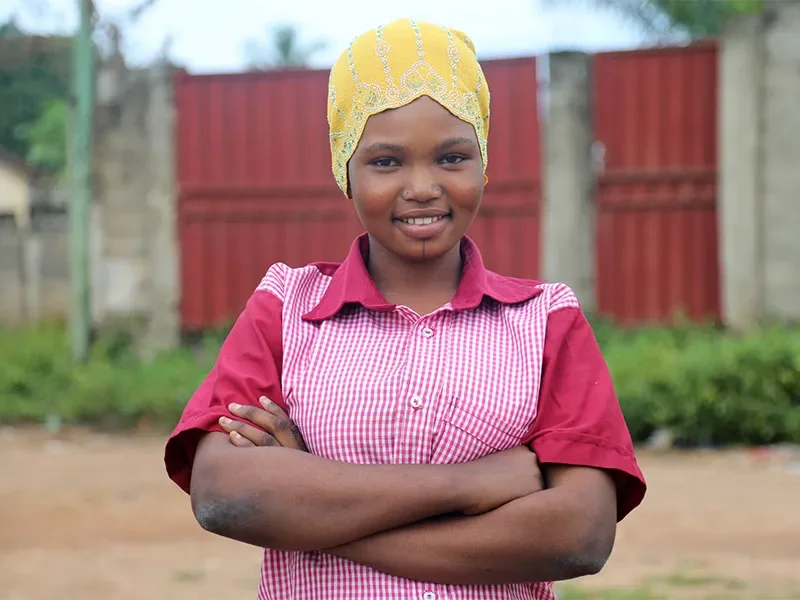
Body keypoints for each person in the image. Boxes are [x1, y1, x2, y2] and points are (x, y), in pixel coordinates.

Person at [164, 18, 646, 600]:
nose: (422, 187)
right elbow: (224, 494)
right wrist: (470, 484)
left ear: (484, 165)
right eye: (386, 162)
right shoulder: (286, 308)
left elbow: (579, 534)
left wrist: (309, 513)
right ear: (345, 168)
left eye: (452, 157)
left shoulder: (545, 320)